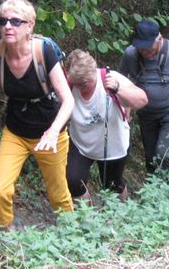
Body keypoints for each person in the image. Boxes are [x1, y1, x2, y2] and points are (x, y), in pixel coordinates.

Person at [0, 0, 74, 227]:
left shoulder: (44, 52)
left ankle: (70, 240)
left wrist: (54, 132)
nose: (8, 26)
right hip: (15, 131)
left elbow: (68, 100)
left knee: (58, 195)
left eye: (15, 21)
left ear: (30, 25)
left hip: (49, 132)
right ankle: (4, 240)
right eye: (2, 21)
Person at [63, 49, 148, 201]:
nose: (80, 87)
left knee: (113, 187)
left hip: (113, 147)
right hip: (81, 144)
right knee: (73, 181)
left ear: (93, 73)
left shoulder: (110, 78)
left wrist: (118, 90)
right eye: (76, 84)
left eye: (84, 84)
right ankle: (88, 218)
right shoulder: (69, 84)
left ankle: (120, 216)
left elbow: (142, 100)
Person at [119, 20, 169, 173]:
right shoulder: (131, 54)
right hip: (146, 112)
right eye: (141, 47)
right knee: (151, 157)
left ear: (159, 38)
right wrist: (125, 108)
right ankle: (154, 193)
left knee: (163, 154)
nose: (144, 51)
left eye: (148, 46)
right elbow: (121, 81)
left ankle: (167, 192)